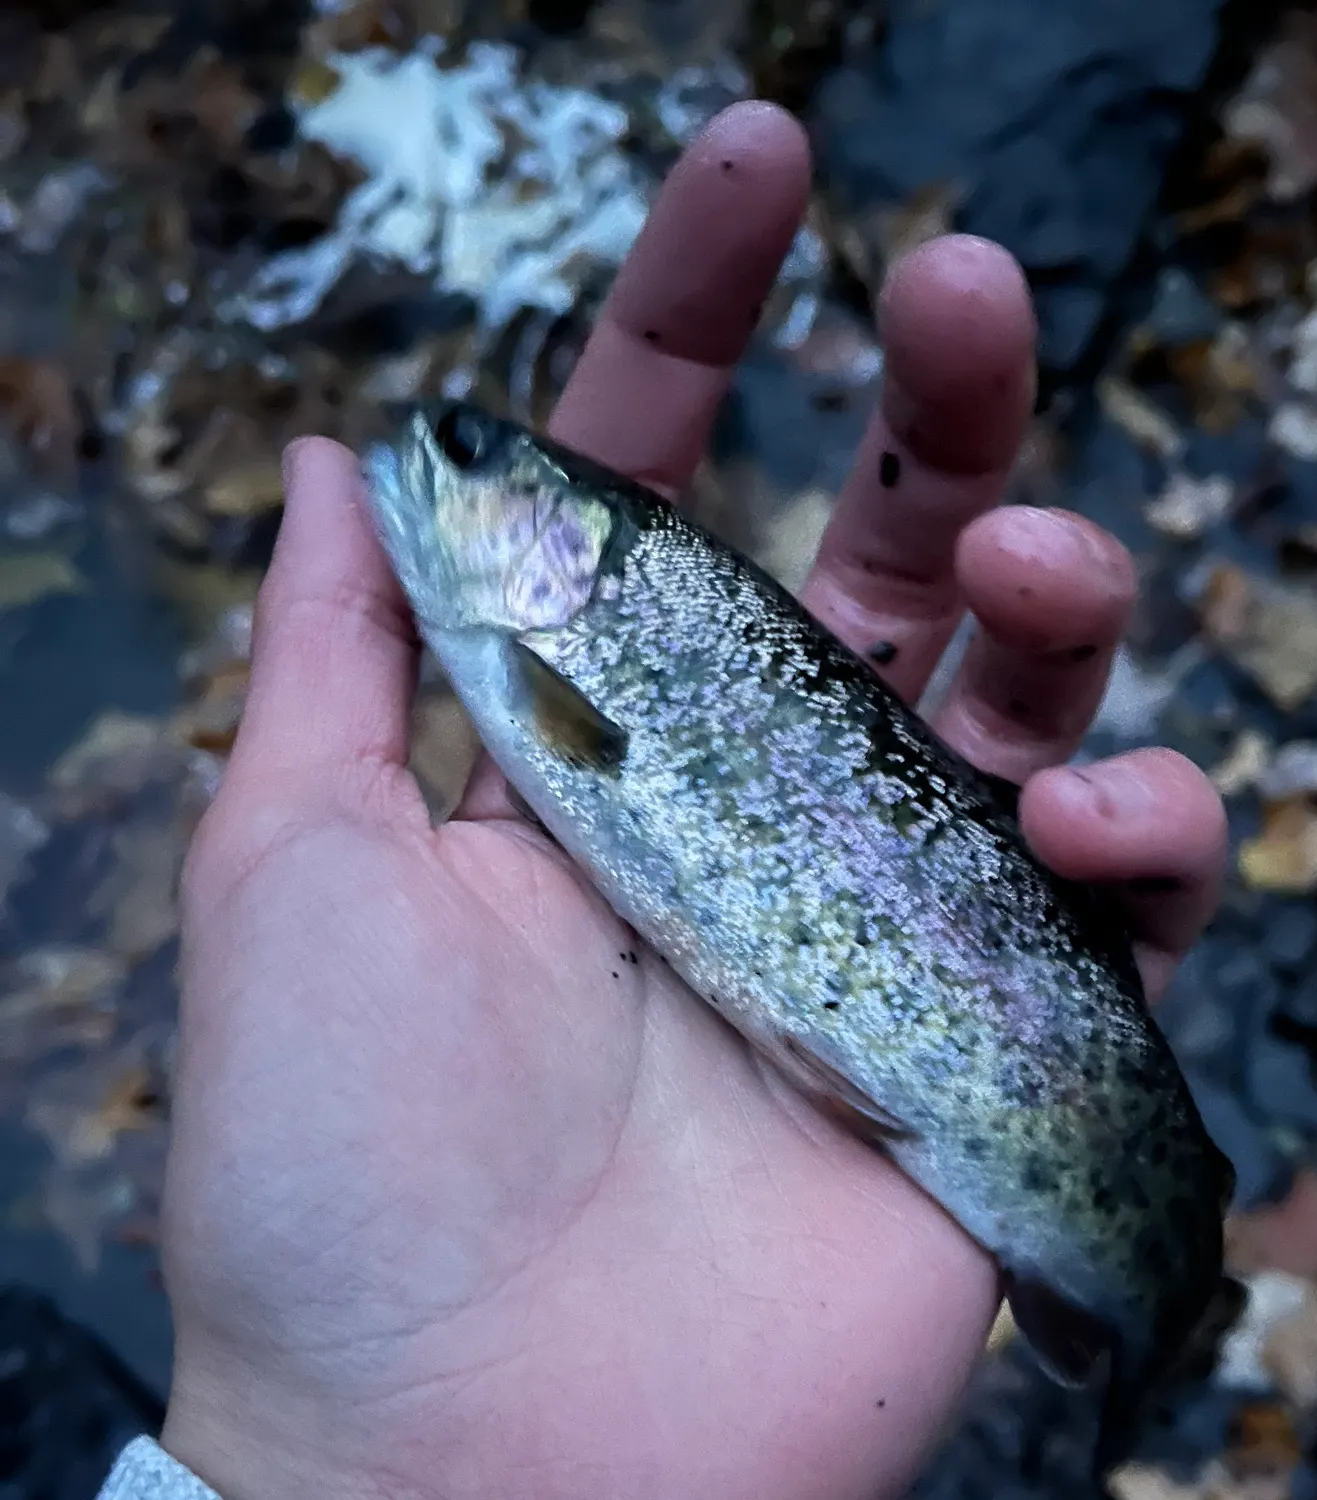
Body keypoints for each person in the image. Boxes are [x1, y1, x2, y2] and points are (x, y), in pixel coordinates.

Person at [98, 102, 1228, 1500]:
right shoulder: (534, 655)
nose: (417, 452)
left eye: (463, 452)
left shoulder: (546, 657)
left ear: (560, 548)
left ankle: (1154, 1307)